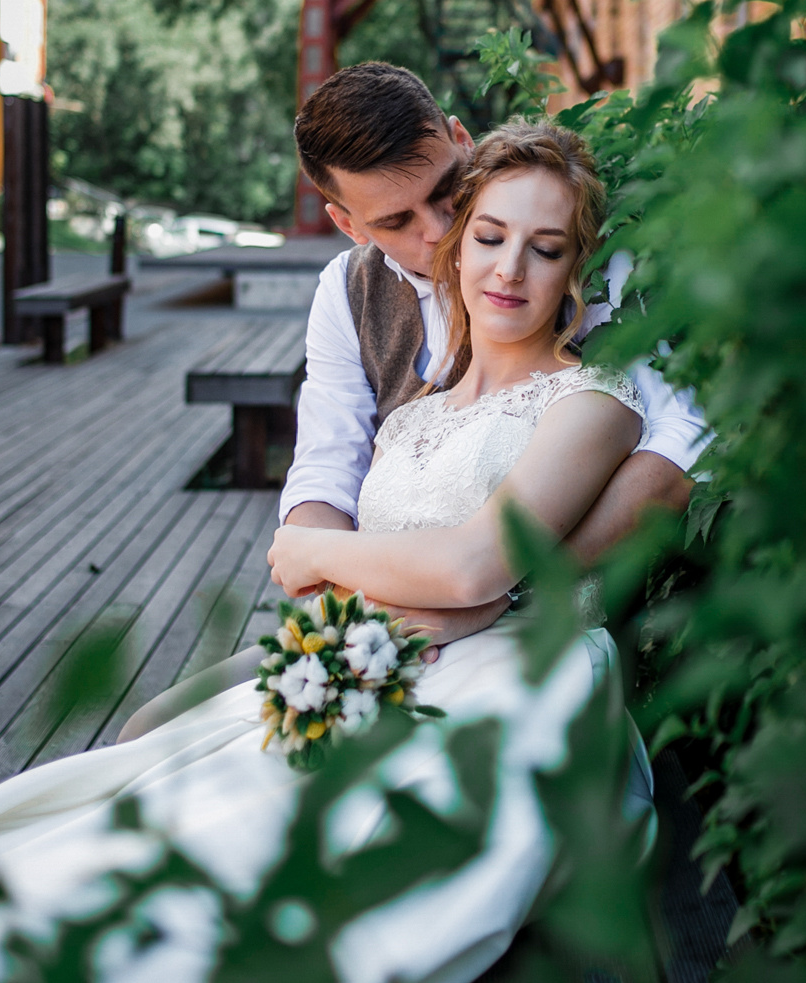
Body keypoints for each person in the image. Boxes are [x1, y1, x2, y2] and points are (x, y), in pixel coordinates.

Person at [0, 121, 667, 983]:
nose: (509, 270)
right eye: (488, 237)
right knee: (126, 808)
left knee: (268, 864)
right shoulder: (411, 418)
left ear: (574, 269)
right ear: (455, 248)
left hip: (508, 680)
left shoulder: (590, 401)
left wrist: (315, 548)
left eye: (545, 248)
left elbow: (478, 561)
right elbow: (381, 577)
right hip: (370, 659)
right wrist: (346, 610)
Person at [115, 63, 706, 740]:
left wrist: (496, 598)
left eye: (447, 192)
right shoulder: (351, 300)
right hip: (384, 623)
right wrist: (356, 618)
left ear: (459, 138)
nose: (436, 231)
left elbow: (681, 444)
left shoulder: (575, 260)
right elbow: (325, 475)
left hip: (517, 646)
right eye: (396, 219)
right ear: (346, 221)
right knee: (148, 729)